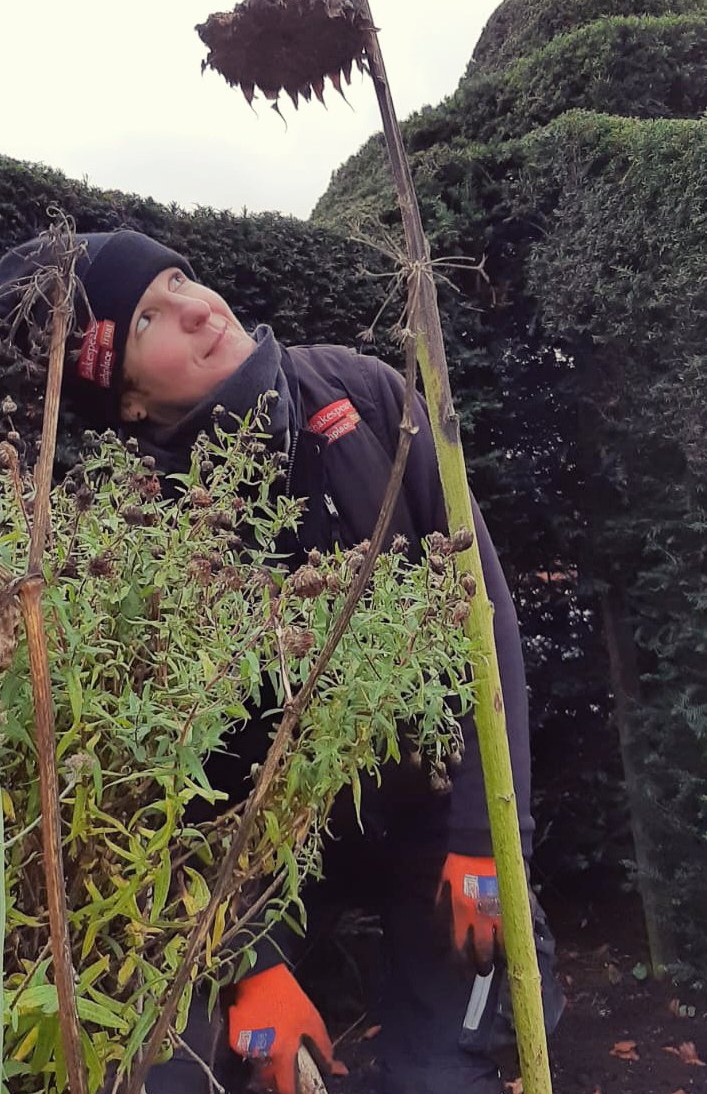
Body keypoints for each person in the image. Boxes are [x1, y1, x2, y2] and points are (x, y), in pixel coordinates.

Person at [0, 230, 563, 1094]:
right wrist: (245, 963)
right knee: (191, 1066)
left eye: (180, 276)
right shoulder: (139, 539)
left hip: (437, 825)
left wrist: (488, 843)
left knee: (450, 1068)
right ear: (129, 405)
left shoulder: (358, 394)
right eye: (149, 315)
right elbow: (181, 799)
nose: (197, 306)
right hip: (267, 859)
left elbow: (483, 625)